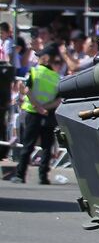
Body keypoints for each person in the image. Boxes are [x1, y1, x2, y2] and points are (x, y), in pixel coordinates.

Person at [3, 44, 64, 185]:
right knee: (47, 147)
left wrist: (38, 106)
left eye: (40, 56)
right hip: (48, 114)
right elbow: (58, 100)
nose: (38, 58)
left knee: (28, 145)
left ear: (46, 58)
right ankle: (43, 177)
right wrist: (45, 108)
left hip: (33, 113)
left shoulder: (35, 71)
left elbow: (27, 91)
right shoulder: (57, 78)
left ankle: (20, 175)